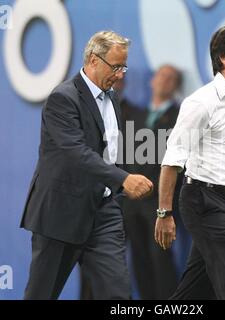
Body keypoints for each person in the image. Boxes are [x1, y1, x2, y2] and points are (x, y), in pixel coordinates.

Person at [20, 30, 153, 300]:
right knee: (41, 295)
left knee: (119, 296)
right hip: (61, 213)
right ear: (93, 60)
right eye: (115, 66)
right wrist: (123, 179)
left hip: (104, 214)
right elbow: (76, 152)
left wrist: (119, 187)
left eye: (123, 67)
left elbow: (111, 150)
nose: (120, 74)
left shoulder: (113, 97)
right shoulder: (62, 98)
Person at [154, 25, 225, 300]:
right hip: (203, 200)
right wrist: (164, 213)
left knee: (195, 288)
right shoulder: (201, 102)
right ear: (224, 59)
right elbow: (172, 160)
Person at [122, 65, 184, 299]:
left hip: (160, 202)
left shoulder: (179, 117)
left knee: (161, 258)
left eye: (171, 78)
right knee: (138, 257)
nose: (164, 80)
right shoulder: (135, 116)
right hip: (131, 203)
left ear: (176, 86)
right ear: (152, 80)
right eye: (161, 75)